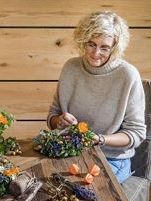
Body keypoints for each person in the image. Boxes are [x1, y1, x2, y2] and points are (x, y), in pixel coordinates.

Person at [47, 11, 146, 183]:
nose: (96, 53)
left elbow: (136, 133)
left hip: (112, 159)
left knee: (82, 194)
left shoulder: (128, 75)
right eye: (91, 44)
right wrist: (59, 121)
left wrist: (100, 139)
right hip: (70, 152)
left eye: (105, 47)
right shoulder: (71, 68)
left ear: (115, 47)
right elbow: (52, 117)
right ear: (83, 41)